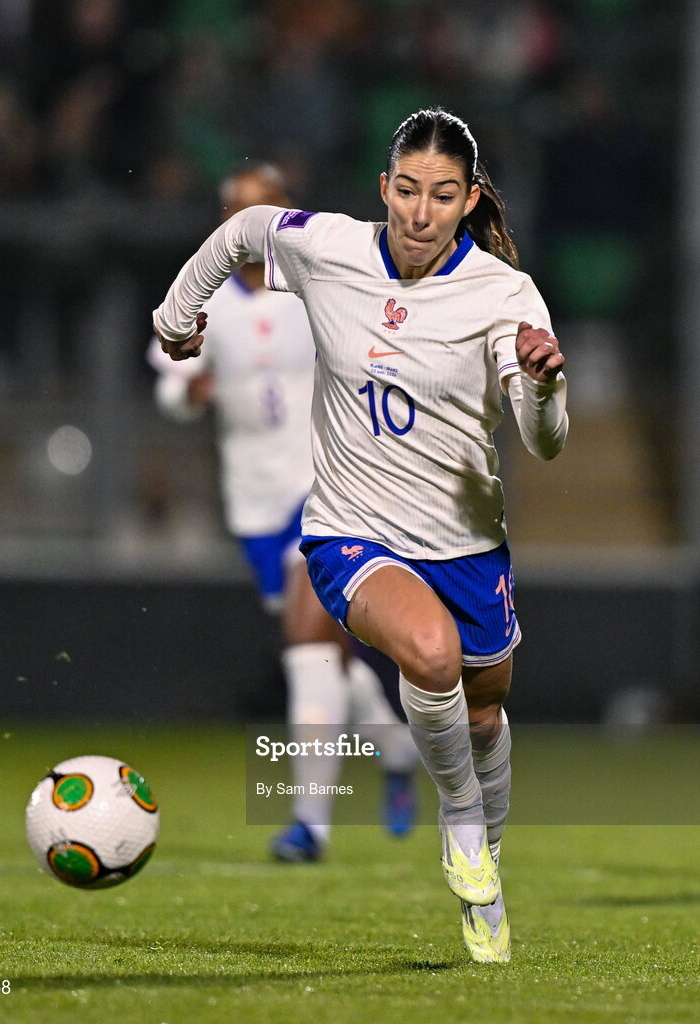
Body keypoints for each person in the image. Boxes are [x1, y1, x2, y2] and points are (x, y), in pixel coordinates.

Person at [151, 109, 568, 964]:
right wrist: (174, 317)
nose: (420, 212)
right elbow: (244, 230)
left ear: (469, 202)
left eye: (442, 195)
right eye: (407, 190)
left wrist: (544, 384)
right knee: (430, 656)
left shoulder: (501, 293)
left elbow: (541, 441)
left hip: (465, 540)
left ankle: (487, 867)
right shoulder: (328, 247)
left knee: (484, 715)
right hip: (350, 531)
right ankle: (455, 829)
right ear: (385, 189)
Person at [147, 163, 419, 863]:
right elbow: (169, 388)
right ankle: (395, 749)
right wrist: (191, 392)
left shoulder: (316, 289)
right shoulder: (201, 298)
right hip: (254, 500)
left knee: (304, 646)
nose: (246, 227)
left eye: (260, 212)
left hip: (326, 485)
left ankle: (310, 824)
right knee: (325, 652)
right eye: (235, 211)